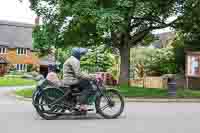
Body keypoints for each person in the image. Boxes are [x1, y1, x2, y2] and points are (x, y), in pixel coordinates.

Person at [63, 47, 95, 111]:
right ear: (77, 54)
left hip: (69, 79)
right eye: (81, 54)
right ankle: (81, 104)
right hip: (71, 80)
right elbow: (78, 75)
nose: (81, 56)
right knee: (89, 87)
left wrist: (87, 75)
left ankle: (79, 102)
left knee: (84, 83)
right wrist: (90, 77)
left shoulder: (72, 59)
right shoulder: (75, 60)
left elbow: (78, 72)